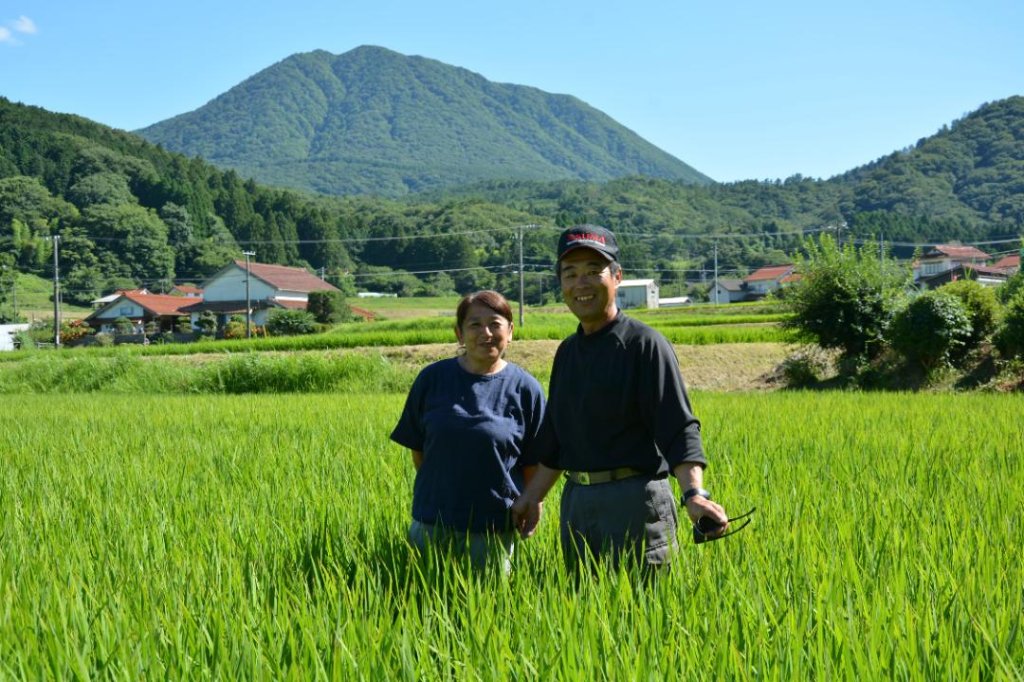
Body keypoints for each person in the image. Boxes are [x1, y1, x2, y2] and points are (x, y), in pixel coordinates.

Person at [511, 224, 729, 572]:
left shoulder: (644, 345)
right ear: (562, 284)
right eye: (570, 274)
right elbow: (555, 438)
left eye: (593, 272)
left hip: (635, 500)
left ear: (617, 277)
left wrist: (694, 495)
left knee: (644, 613)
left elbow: (677, 427)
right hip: (577, 503)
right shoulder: (567, 352)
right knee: (586, 612)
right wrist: (531, 497)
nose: (581, 283)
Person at [390, 290, 546, 572]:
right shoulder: (432, 379)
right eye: (474, 324)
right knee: (421, 602)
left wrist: (532, 500)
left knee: (488, 607)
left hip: (495, 527)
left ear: (510, 331)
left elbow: (534, 462)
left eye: (495, 323)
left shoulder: (526, 389)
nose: (485, 332)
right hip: (431, 521)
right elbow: (420, 450)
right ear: (459, 333)